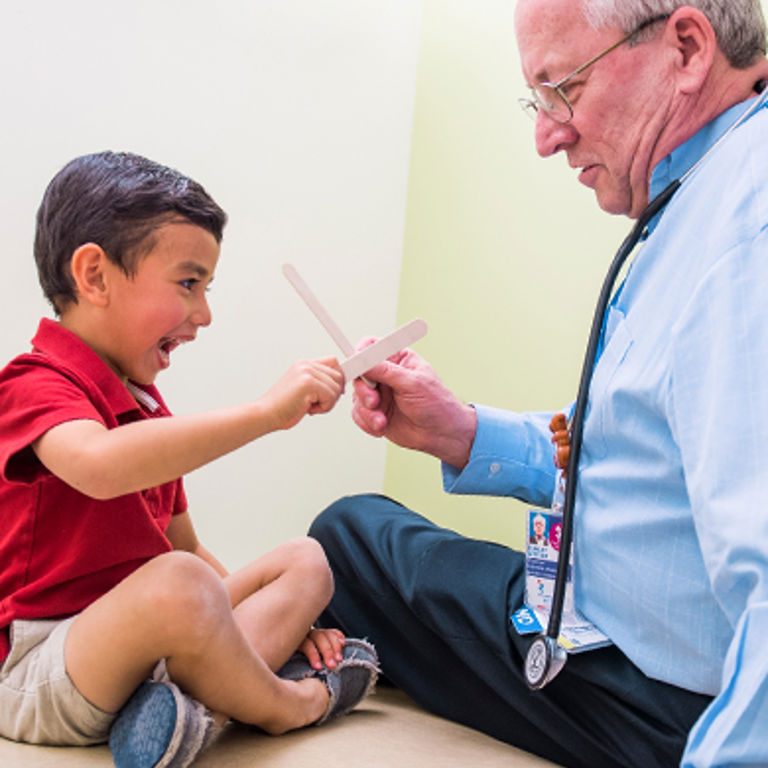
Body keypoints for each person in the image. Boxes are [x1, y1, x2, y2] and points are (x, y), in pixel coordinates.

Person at [308, 2, 768, 766]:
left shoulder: (745, 230)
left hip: (669, 699)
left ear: (686, 48)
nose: (547, 135)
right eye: (538, 100)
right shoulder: (706, 197)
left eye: (564, 89)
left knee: (346, 541)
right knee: (356, 529)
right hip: (619, 630)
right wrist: (461, 433)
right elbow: (638, 446)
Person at [0, 151, 379, 768]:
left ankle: (182, 714)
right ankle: (287, 703)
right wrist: (265, 413)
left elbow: (185, 548)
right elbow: (99, 465)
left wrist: (251, 620)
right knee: (182, 585)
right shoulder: (32, 384)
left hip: (144, 656)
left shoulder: (148, 409)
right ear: (94, 276)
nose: (203, 314)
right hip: (41, 668)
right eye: (188, 283)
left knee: (306, 563)